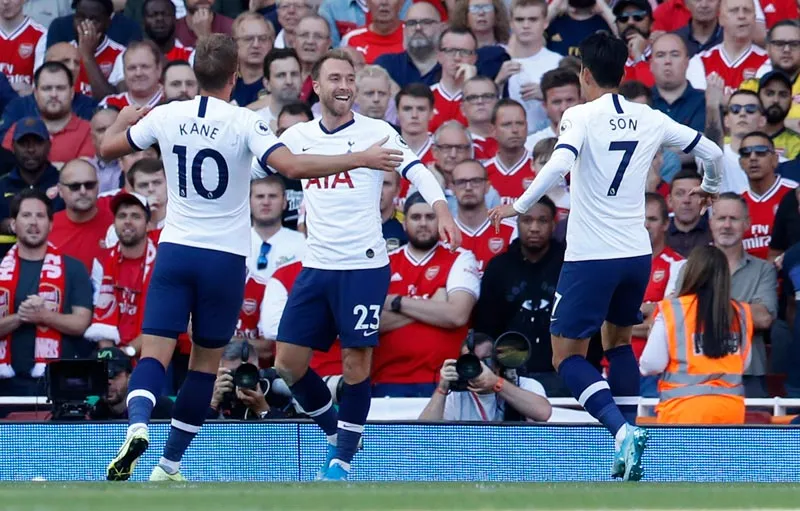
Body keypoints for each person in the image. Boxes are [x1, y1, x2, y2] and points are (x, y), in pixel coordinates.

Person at [98, 35, 409, 483]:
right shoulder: (246, 122)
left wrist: (123, 120)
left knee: (155, 351)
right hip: (223, 257)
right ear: (236, 76)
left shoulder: (165, 115)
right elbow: (295, 169)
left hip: (175, 248)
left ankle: (139, 425)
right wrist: (363, 157)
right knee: (205, 364)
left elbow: (108, 149)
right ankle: (169, 465)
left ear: (193, 72)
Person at [488, 32, 723, 481]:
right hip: (636, 254)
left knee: (566, 357)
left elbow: (558, 165)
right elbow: (710, 150)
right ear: (624, 71)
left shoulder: (579, 115)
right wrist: (710, 185)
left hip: (591, 257)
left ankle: (621, 432)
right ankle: (630, 441)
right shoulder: (649, 116)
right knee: (617, 345)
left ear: (585, 75)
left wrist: (517, 206)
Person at [272, 49, 460, 482]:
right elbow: (263, 154)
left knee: (357, 362)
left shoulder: (377, 132)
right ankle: (339, 434)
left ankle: (341, 460)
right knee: (287, 364)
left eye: (349, 79)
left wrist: (442, 209)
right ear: (315, 86)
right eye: (334, 78)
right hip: (316, 265)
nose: (343, 86)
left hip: (363, 265)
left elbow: (417, 170)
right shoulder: (298, 136)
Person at [640, 245, 753, 424]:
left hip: (682, 411)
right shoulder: (741, 313)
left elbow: (650, 364)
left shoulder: (672, 310)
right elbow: (744, 364)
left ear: (690, 272)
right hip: (731, 412)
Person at [0, 189, 93, 396]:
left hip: (59, 382)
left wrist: (44, 316)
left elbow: (81, 323)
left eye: (40, 216)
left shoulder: (73, 268)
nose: (34, 222)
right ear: (13, 224)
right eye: (26, 215)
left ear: (51, 224)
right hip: (4, 384)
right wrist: (21, 317)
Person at [418, 332, 552, 421]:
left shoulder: (524, 385)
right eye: (471, 361)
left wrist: (496, 383)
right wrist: (442, 388)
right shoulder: (457, 395)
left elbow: (543, 413)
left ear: (498, 363)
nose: (479, 367)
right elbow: (422, 433)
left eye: (485, 360)